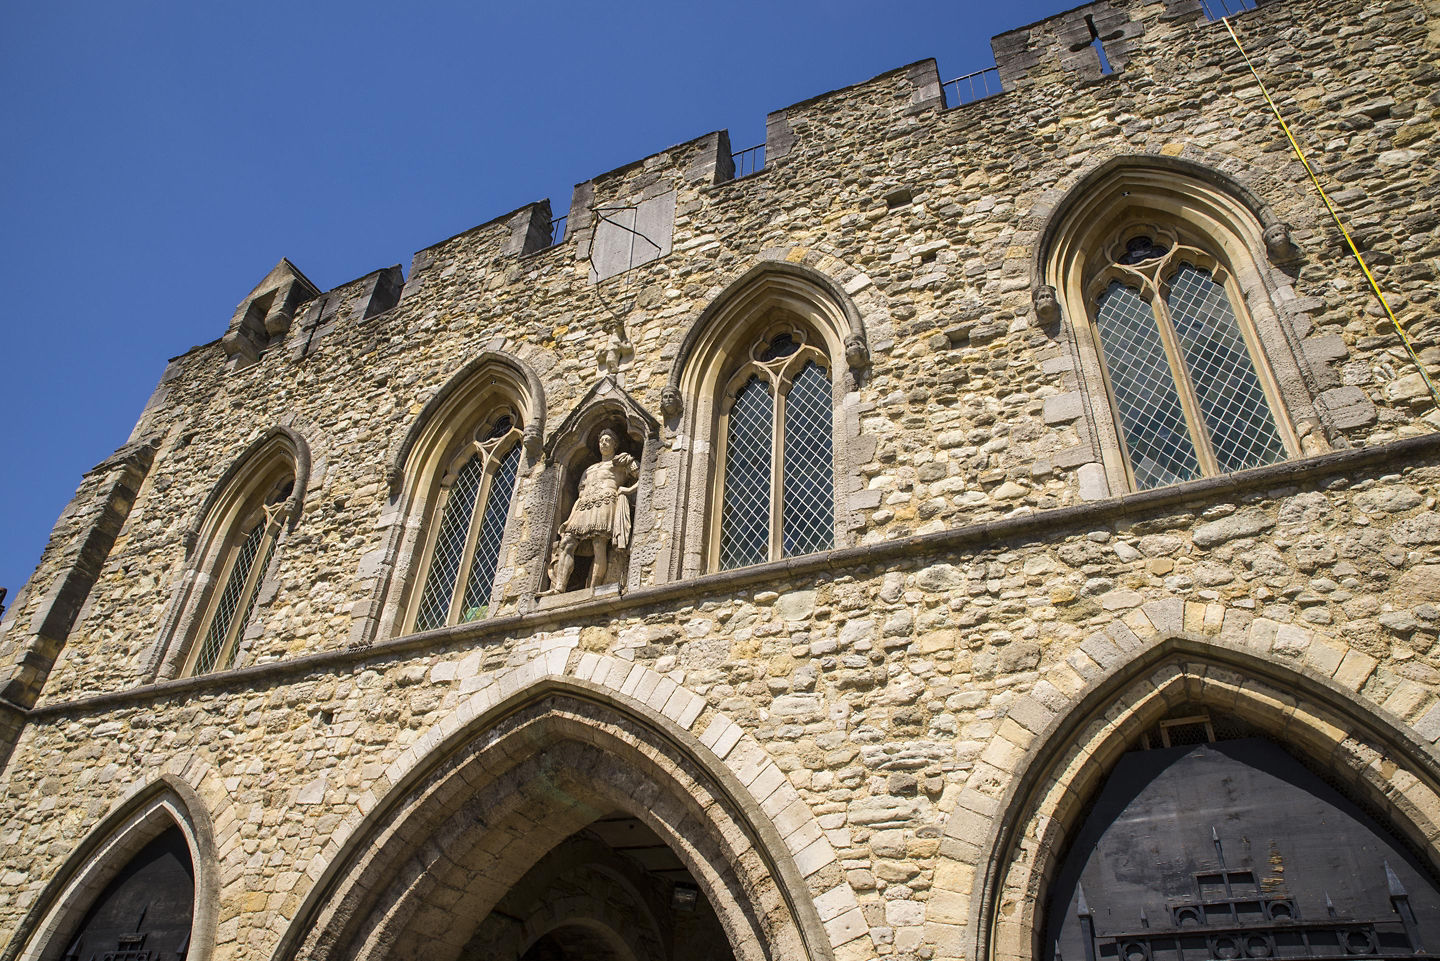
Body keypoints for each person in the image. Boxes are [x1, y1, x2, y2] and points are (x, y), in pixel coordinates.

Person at [545, 429, 638, 592]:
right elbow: (581, 488)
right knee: (567, 542)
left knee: (598, 545)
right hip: (584, 505)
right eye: (601, 440)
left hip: (606, 501)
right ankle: (559, 587)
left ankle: (594, 589)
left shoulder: (620, 462)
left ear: (615, 445)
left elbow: (643, 475)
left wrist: (626, 490)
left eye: (608, 440)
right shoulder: (589, 468)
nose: (603, 443)